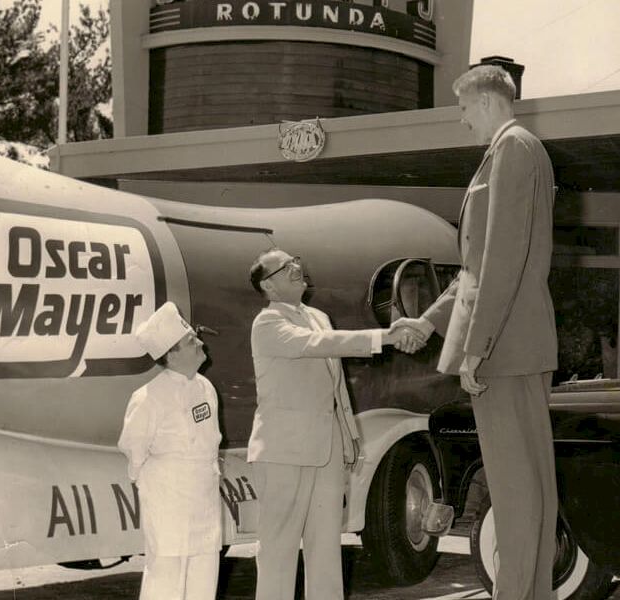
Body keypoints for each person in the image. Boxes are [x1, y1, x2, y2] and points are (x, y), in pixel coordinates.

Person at [394, 64, 558, 600]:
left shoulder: (512, 150)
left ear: (485, 102)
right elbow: (476, 269)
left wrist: (477, 347)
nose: (463, 122)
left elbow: (501, 261)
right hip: (517, 343)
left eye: (464, 110)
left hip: (504, 348)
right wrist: (431, 320)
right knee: (528, 487)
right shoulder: (518, 149)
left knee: (516, 490)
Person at [247, 247, 419, 600]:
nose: (297, 267)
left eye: (295, 261)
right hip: (284, 452)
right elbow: (317, 345)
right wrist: (384, 336)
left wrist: (349, 436)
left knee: (326, 548)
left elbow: (337, 387)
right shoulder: (267, 323)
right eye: (286, 266)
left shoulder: (318, 316)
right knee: (278, 550)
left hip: (326, 449)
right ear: (270, 286)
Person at [118, 302, 222, 600]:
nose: (201, 342)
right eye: (191, 340)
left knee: (203, 579)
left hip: (203, 499)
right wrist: (157, 483)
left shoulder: (206, 388)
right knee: (165, 581)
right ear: (172, 353)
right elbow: (132, 448)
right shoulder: (148, 397)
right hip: (168, 503)